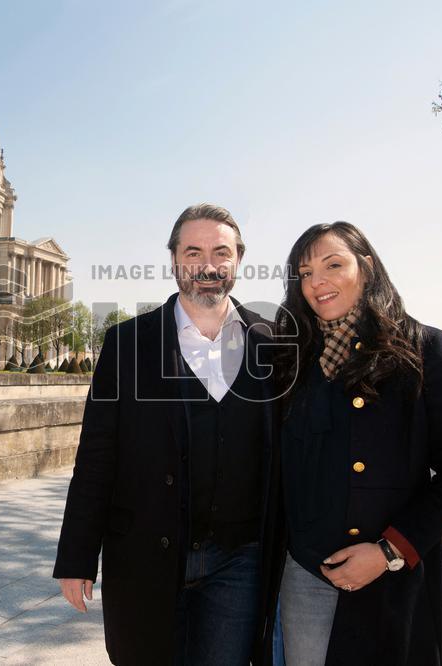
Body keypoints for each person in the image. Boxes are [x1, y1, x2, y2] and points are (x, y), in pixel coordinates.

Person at [53, 204, 281, 665]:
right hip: (146, 553)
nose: (208, 265)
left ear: (238, 259)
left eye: (221, 252)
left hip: (240, 562)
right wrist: (76, 556)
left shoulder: (272, 344)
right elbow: (97, 456)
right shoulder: (127, 343)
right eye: (193, 252)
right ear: (174, 260)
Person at [261, 221, 442, 665]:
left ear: (366, 267)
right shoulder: (288, 359)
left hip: (394, 579)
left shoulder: (426, 349)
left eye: (333, 265)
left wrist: (387, 552)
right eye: (305, 273)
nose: (317, 282)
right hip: (306, 575)